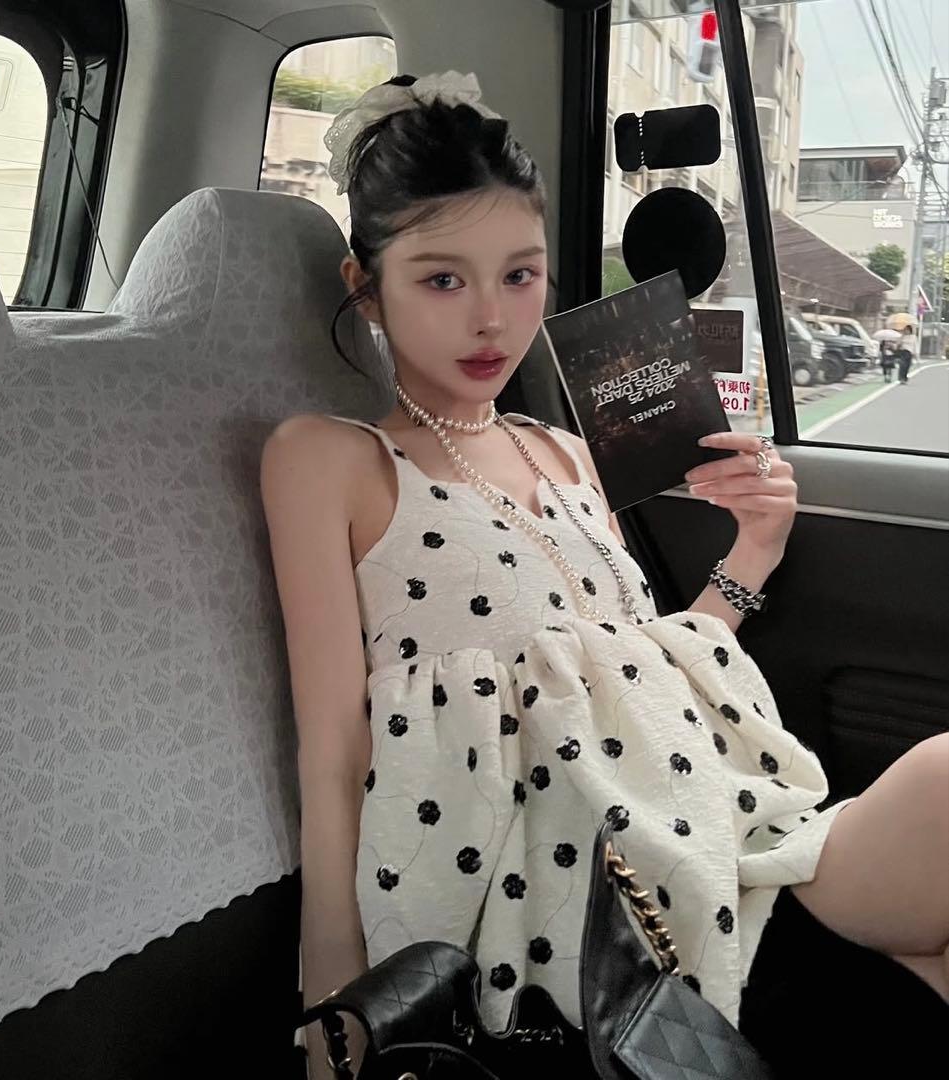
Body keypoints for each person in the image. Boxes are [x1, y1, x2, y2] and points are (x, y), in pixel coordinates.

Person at [259, 74, 949, 1079]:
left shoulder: (564, 452)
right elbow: (332, 748)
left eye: (521, 275)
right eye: (442, 280)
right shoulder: (330, 460)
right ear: (365, 285)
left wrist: (752, 551)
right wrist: (335, 1004)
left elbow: (637, 674)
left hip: (721, 828)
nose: (491, 320)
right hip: (594, 919)